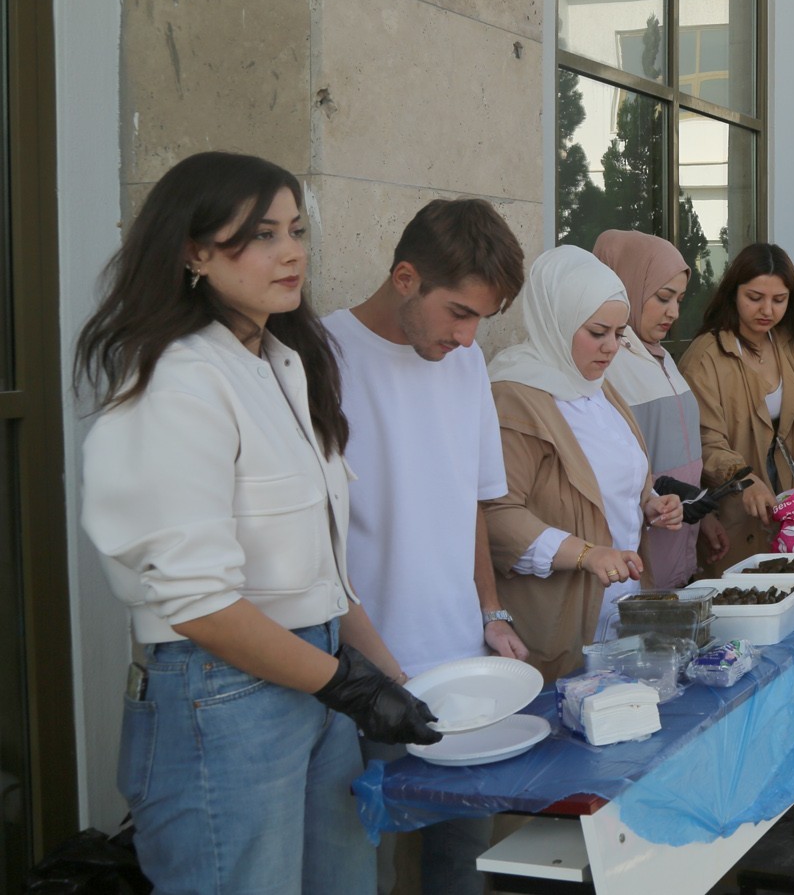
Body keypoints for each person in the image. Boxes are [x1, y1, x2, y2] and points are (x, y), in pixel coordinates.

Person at [77, 152, 438, 893]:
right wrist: (349, 686)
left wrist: (394, 681)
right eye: (262, 235)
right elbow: (200, 604)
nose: (292, 252)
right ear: (194, 252)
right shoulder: (175, 380)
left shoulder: (283, 363)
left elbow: (321, 575)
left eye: (297, 230)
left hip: (317, 679)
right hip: (221, 694)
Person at [325, 197, 527, 894]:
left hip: (463, 664)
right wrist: (382, 670)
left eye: (480, 320)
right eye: (459, 313)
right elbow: (311, 540)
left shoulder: (465, 364)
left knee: (463, 865)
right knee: (364, 870)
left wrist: (491, 612)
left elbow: (470, 498)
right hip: (361, 675)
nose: (468, 337)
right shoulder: (319, 357)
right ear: (405, 278)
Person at [484, 246, 684, 679]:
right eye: (597, 332)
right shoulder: (515, 395)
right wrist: (585, 554)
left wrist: (649, 501)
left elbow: (614, 476)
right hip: (559, 618)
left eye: (619, 334)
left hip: (619, 609)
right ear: (556, 322)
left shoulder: (597, 386)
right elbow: (496, 516)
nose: (611, 348)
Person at [680, 243, 794, 575]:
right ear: (733, 294)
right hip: (733, 514)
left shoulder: (790, 343)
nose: (767, 310)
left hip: (792, 510)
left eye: (779, 300)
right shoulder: (705, 357)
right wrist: (743, 478)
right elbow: (704, 440)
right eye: (754, 297)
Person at [596, 230, 730, 587]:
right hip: (636, 555)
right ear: (628, 285)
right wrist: (659, 492)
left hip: (677, 543)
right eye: (663, 297)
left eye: (679, 300)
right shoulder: (607, 363)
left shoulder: (661, 356)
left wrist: (701, 513)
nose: (674, 312)